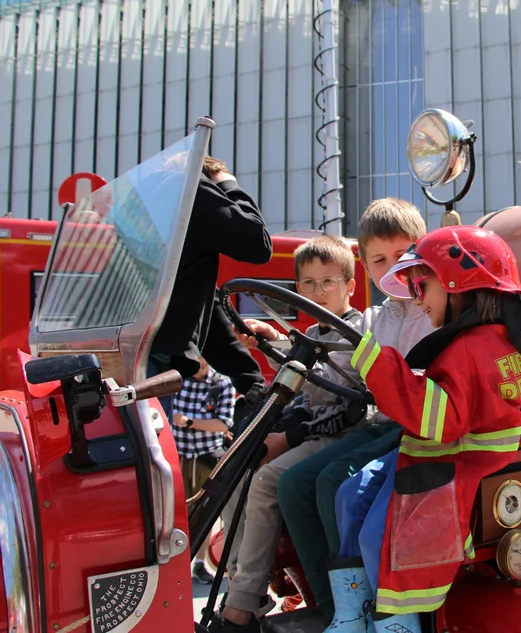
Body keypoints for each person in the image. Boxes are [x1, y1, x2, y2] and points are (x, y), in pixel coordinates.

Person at [327, 225, 521, 632]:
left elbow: (441, 420)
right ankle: (352, 614)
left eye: (421, 286)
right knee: (348, 494)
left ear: (457, 283)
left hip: (455, 465)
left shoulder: (472, 349)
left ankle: (396, 623)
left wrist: (380, 366)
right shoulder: (485, 341)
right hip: (437, 453)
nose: (416, 300)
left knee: (379, 534)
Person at [272, 199, 432, 625]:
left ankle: (362, 608)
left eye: (403, 255)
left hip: (414, 424)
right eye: (380, 259)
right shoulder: (375, 320)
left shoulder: (434, 309)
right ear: (365, 265)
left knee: (333, 482)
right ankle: (330, 604)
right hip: (382, 421)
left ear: (423, 250)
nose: (393, 266)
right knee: (290, 485)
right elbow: (340, 355)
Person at [213, 235, 366, 632]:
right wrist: (270, 340)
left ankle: (242, 605)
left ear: (351, 285)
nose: (318, 291)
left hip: (343, 435)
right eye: (308, 284)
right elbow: (297, 371)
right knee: (231, 472)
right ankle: (244, 586)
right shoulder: (312, 334)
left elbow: (348, 408)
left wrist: (287, 439)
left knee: (265, 481)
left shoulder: (358, 335)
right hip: (310, 434)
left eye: (328, 282)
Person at [149, 155, 273, 418]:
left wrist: (251, 381)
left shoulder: (150, 211)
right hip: (151, 364)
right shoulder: (188, 188)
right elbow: (257, 243)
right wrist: (228, 185)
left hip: (133, 356)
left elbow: (200, 307)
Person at [172, 357, 237, 585]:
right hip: (176, 455)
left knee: (204, 511)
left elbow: (224, 423)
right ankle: (174, 563)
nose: (197, 362)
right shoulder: (179, 378)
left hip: (206, 456)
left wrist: (189, 422)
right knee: (173, 511)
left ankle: (198, 563)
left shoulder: (221, 384)